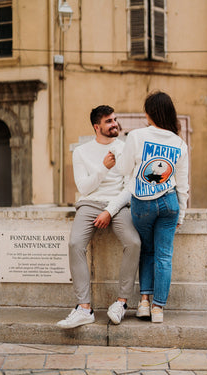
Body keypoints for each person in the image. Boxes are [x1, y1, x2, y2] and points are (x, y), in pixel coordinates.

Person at [57, 105, 140, 329]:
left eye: (114, 120)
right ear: (97, 127)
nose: (114, 124)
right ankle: (84, 308)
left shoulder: (125, 148)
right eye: (109, 121)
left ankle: (121, 303)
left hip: (118, 205)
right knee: (75, 243)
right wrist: (103, 168)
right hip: (89, 203)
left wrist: (109, 211)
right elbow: (83, 187)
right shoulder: (81, 152)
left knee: (133, 242)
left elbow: (128, 187)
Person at [114, 91, 189, 323]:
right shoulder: (180, 143)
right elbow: (184, 184)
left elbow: (124, 169)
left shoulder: (136, 136)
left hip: (143, 203)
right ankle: (159, 308)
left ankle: (144, 302)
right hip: (169, 202)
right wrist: (182, 213)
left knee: (147, 251)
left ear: (149, 113)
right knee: (164, 256)